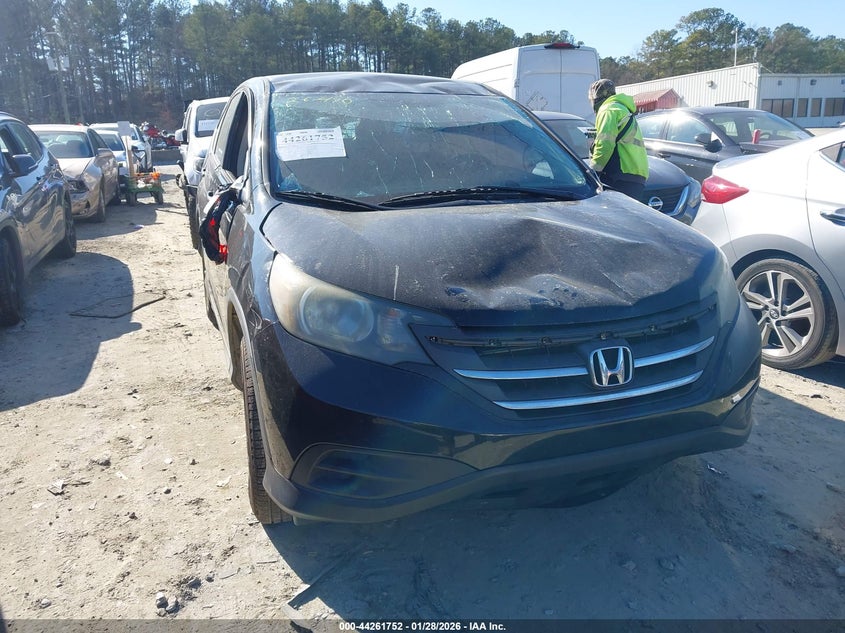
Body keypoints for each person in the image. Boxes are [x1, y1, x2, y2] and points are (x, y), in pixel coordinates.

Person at [587, 79, 649, 200]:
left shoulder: (607, 110)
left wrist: (593, 172)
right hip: (636, 175)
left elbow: (605, 144)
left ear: (595, 97)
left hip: (620, 176)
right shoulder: (622, 109)